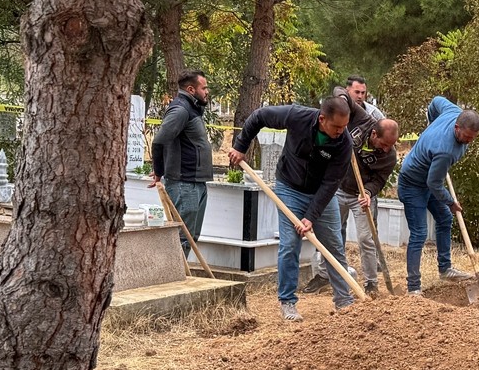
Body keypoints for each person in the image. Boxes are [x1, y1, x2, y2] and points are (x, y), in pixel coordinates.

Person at [228, 96, 354, 321]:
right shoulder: (297, 116)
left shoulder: (344, 142)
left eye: (344, 126)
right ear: (322, 118)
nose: (340, 131)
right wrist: (240, 146)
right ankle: (287, 302)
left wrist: (311, 216)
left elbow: (331, 183)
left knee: (334, 245)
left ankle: (344, 302)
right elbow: (259, 116)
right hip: (290, 189)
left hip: (321, 195)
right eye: (336, 126)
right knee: (289, 245)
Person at [304, 117, 400, 296]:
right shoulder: (363, 124)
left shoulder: (389, 156)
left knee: (366, 239)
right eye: (385, 143)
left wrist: (369, 193)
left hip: (361, 197)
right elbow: (343, 99)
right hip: (337, 189)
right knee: (329, 233)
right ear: (374, 134)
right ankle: (324, 276)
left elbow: (379, 180)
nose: (387, 149)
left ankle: (371, 282)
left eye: (391, 145)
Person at [397, 96, 479, 296]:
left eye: (473, 138)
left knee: (445, 218)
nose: (469, 142)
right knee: (419, 232)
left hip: (428, 179)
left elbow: (435, 101)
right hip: (412, 184)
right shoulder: (445, 150)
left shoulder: (452, 111)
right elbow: (433, 184)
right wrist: (451, 201)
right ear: (456, 128)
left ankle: (445, 269)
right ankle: (414, 287)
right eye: (466, 137)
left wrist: (431, 123)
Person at [150, 71, 213, 256]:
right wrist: (158, 172)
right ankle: (173, 278)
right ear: (191, 89)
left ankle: (181, 278)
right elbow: (159, 140)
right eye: (204, 87)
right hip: (184, 183)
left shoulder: (192, 109)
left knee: (191, 237)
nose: (207, 91)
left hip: (196, 183)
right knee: (182, 238)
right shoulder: (181, 110)